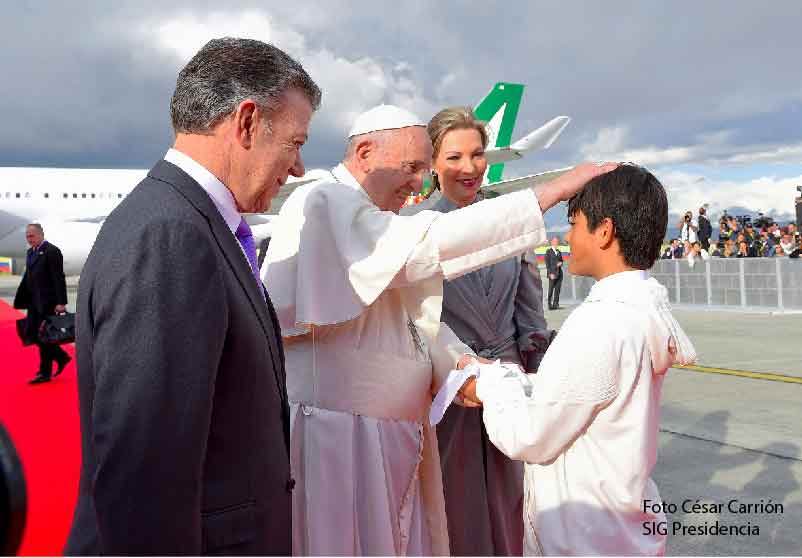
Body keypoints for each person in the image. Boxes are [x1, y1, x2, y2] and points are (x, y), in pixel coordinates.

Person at [261, 104, 614, 555]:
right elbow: (430, 244)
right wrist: (549, 193)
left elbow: (404, 323)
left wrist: (463, 365)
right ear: (366, 152)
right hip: (342, 441)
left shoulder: (368, 217)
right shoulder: (326, 202)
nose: (416, 182)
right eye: (411, 168)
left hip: (393, 430)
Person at [64, 38, 321, 555]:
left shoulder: (191, 223)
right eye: (294, 143)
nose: (296, 168)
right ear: (246, 122)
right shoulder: (170, 235)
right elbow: (145, 468)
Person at [469, 164, 696, 555]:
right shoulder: (638, 311)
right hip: (617, 524)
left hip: (585, 536)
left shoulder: (601, 322)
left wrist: (493, 382)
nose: (568, 236)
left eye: (574, 224)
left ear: (604, 231)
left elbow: (531, 436)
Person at [402, 106, 552, 555]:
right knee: (452, 498)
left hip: (506, 377)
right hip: (449, 386)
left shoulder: (511, 224)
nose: (469, 168)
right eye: (454, 157)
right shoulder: (416, 229)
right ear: (433, 163)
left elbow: (529, 305)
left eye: (477, 154)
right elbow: (409, 319)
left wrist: (534, 354)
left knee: (511, 497)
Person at [13, 223, 70, 384]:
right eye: (27, 236)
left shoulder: (52, 251)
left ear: (40, 235)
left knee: (43, 337)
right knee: (32, 334)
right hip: (33, 302)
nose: (29, 239)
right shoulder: (30, 252)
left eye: (31, 236)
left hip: (48, 302)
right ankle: (61, 357)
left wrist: (61, 302)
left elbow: (59, 278)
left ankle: (45, 372)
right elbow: (29, 277)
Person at [545, 236, 564, 310]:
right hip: (552, 274)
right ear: (552, 242)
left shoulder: (559, 251)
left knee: (557, 290)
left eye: (557, 242)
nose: (556, 243)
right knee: (550, 290)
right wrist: (550, 274)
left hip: (559, 274)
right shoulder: (548, 251)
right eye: (555, 241)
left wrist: (561, 263)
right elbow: (547, 264)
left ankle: (556, 304)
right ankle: (549, 305)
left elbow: (561, 260)